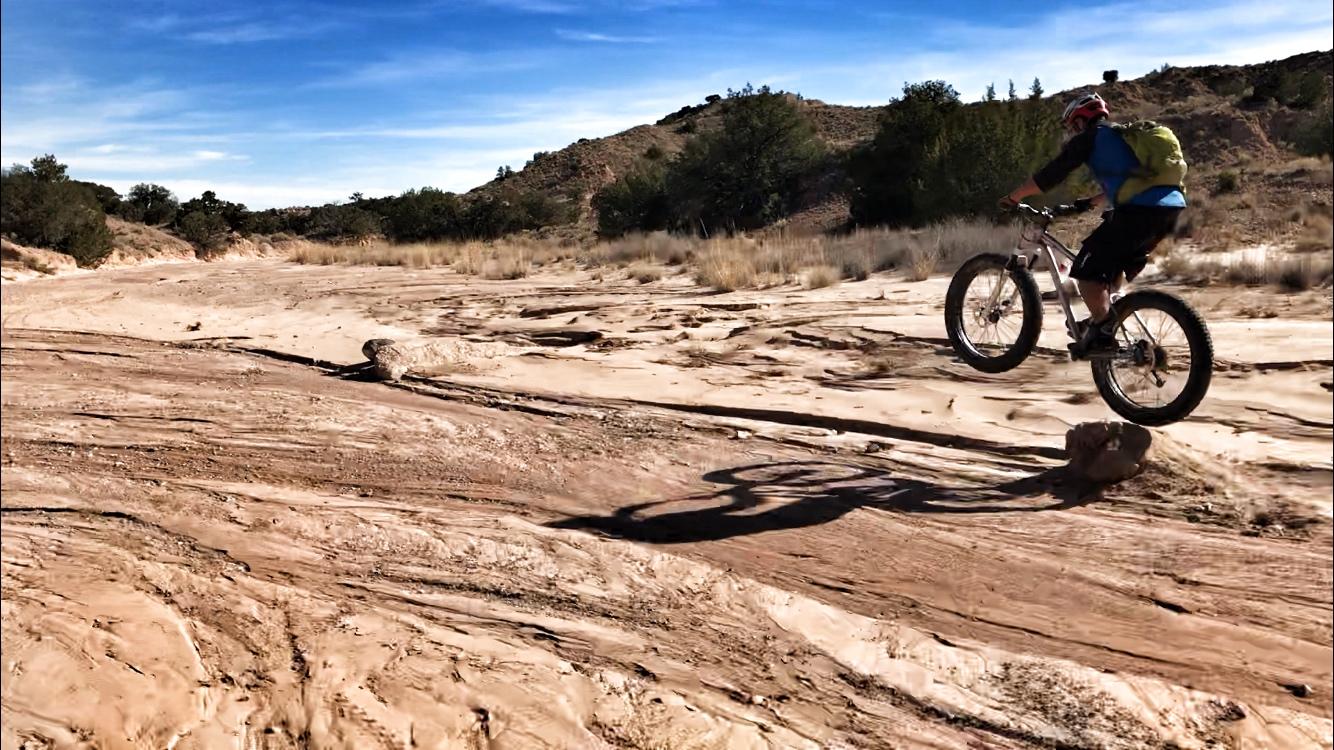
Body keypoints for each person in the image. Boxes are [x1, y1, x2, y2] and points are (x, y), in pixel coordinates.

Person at [999, 92, 1185, 358]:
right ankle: (1105, 319)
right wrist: (1089, 202)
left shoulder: (1091, 137)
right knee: (1110, 264)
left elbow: (1053, 173)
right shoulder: (1122, 137)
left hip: (1138, 210)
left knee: (1084, 271)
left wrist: (1014, 197)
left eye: (1072, 124)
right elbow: (1132, 181)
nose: (1072, 130)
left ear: (1081, 120)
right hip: (1169, 209)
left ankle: (1101, 329)